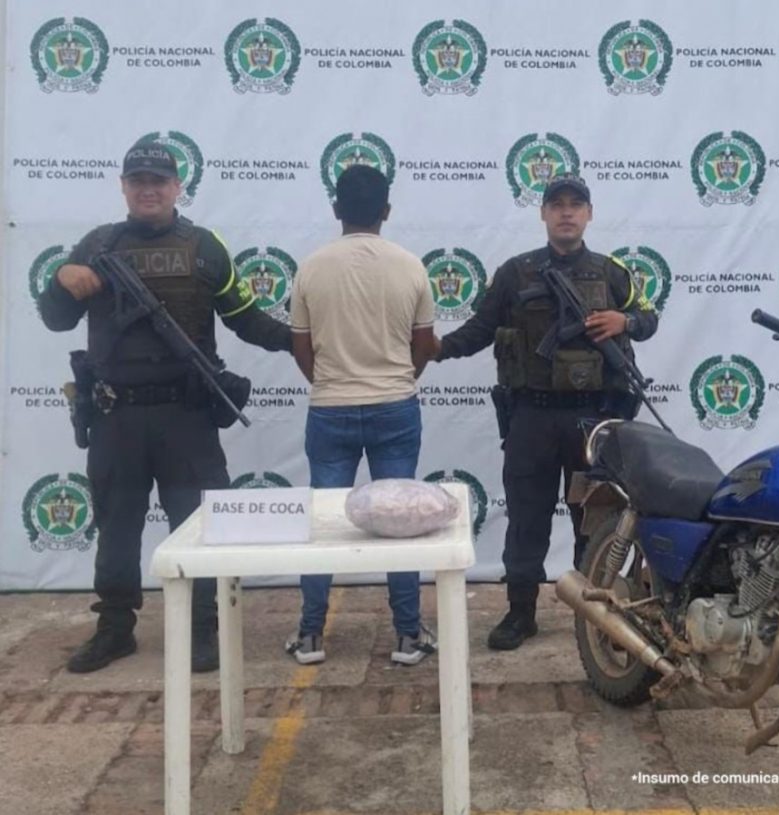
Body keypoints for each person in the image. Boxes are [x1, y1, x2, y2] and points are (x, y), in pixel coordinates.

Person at [38, 140, 292, 674]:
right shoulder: (95, 245)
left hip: (186, 416)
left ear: (179, 186)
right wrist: (61, 279)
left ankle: (203, 630)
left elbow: (246, 318)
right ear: (124, 187)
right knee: (117, 524)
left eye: (159, 180)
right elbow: (56, 319)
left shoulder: (204, 246)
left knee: (199, 525)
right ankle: (114, 629)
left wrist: (304, 339)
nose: (148, 189)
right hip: (116, 416)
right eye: (138, 181)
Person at [434, 173, 658, 650]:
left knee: (593, 520)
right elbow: (479, 328)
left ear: (589, 214)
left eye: (576, 204)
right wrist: (435, 349)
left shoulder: (612, 272)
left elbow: (649, 319)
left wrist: (626, 320)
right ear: (543, 214)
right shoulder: (516, 272)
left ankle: (594, 613)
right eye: (557, 204)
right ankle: (521, 614)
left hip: (591, 420)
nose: (566, 213)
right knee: (527, 517)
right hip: (532, 417)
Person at [287, 164, 440, 666]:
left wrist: (331, 383)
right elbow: (423, 347)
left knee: (324, 524)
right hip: (395, 404)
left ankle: (310, 635)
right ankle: (409, 634)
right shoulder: (410, 266)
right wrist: (396, 380)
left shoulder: (311, 267)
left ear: (336, 210)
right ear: (387, 211)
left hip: (329, 406)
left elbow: (301, 348)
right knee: (400, 522)